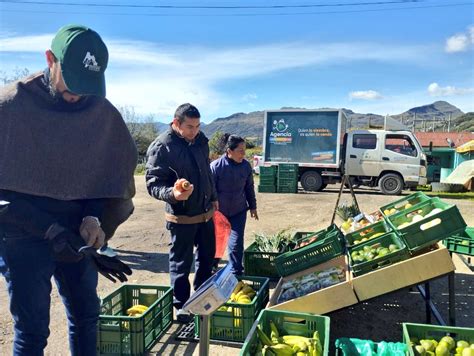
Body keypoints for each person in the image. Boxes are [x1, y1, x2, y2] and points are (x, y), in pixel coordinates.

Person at [0, 24, 137, 356]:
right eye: (72, 82)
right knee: (32, 331)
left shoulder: (100, 111)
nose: (78, 95)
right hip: (22, 233)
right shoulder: (10, 106)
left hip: (77, 232)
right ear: (51, 59)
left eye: (88, 86)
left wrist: (93, 218)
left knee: (86, 316)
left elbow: (104, 173)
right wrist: (48, 229)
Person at [145, 103, 218, 323]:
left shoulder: (201, 141)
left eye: (197, 126)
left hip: (206, 215)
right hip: (182, 218)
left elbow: (207, 173)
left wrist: (213, 197)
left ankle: (201, 300)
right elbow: (153, 184)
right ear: (176, 123)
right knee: (181, 264)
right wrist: (173, 194)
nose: (194, 131)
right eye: (189, 126)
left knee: (207, 260)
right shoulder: (162, 147)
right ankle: (182, 306)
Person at [210, 134, 258, 275]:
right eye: (240, 150)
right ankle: (212, 266)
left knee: (236, 243)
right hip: (219, 213)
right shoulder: (216, 167)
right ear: (229, 151)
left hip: (238, 211)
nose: (244, 154)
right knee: (218, 242)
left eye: (244, 150)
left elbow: (249, 187)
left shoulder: (245, 167)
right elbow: (210, 191)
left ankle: (236, 272)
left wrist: (253, 207)